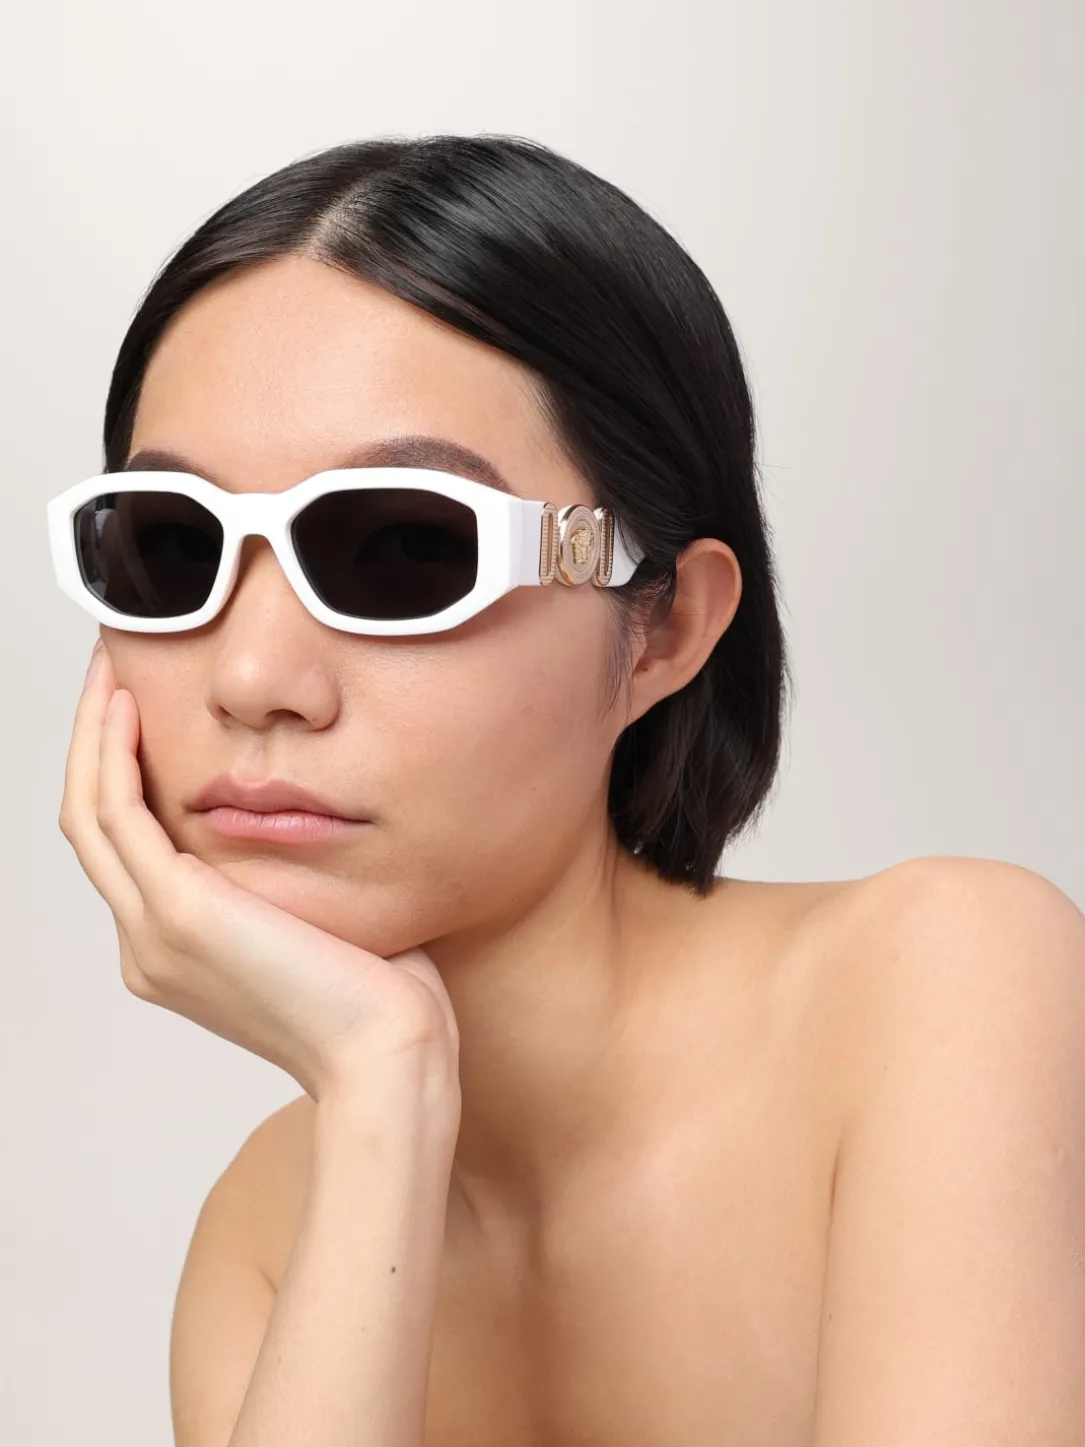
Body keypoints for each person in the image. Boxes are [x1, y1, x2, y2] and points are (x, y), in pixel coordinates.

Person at [51, 135, 1085, 1447]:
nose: (255, 677)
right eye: (170, 545)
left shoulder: (942, 987)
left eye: (404, 547)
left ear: (663, 627)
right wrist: (384, 1096)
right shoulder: (265, 1231)